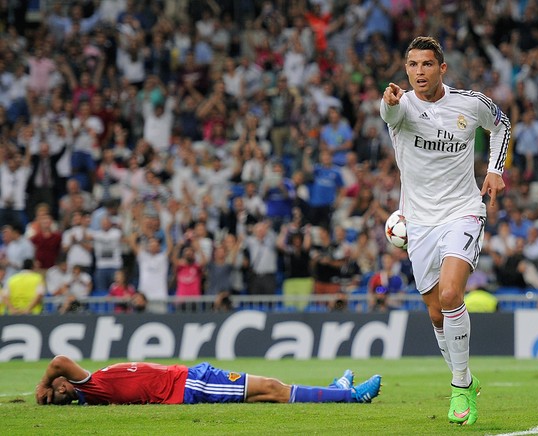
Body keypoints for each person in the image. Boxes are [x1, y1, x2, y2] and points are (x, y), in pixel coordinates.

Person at [380, 36, 510, 426]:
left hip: (463, 211)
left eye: (426, 64)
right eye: (412, 65)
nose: (419, 72)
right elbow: (390, 116)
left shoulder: (470, 104)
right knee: (437, 314)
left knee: (452, 293)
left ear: (442, 69)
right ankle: (467, 380)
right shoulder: (399, 106)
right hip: (418, 221)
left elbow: (501, 124)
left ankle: (457, 387)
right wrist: (388, 103)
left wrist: (495, 170)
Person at [36, 355, 381, 406]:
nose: (61, 385)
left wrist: (48, 389)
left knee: (263, 394)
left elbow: (61, 366)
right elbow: (58, 361)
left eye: (57, 385)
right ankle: (349, 396)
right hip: (188, 384)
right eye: (58, 390)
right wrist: (41, 387)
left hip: (187, 378)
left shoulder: (88, 386)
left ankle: (336, 391)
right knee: (273, 388)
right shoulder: (89, 388)